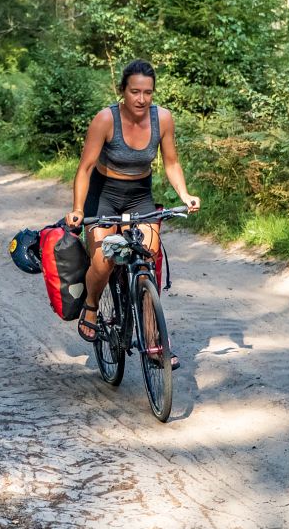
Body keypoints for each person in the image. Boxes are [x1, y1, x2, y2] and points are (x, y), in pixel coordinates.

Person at [65, 59, 200, 366]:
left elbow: (171, 163)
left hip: (139, 194)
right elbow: (85, 168)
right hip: (104, 194)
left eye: (148, 92)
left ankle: (153, 340)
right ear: (122, 91)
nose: (141, 99)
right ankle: (91, 305)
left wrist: (185, 194)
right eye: (135, 91)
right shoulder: (105, 120)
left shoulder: (162, 119)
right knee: (104, 260)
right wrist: (76, 209)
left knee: (148, 256)